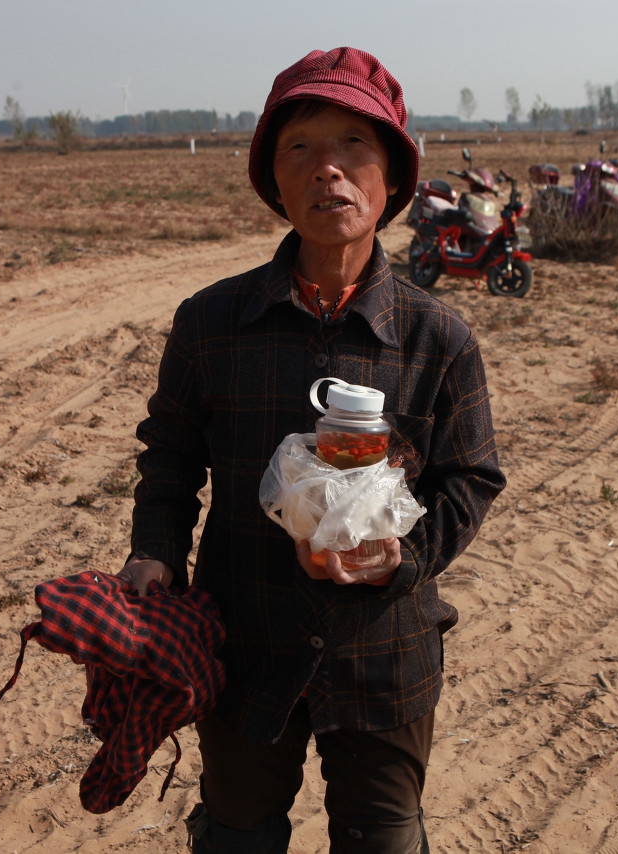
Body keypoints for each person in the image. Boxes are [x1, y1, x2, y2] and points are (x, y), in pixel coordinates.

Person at [118, 46, 506, 854]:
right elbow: (170, 456)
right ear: (274, 180)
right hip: (241, 643)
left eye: (354, 147)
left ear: (393, 177)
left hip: (385, 656)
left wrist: (404, 556)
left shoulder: (439, 337)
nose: (329, 170)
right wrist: (153, 554)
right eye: (301, 148)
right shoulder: (212, 324)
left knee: (384, 839)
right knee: (238, 834)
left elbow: (471, 477)